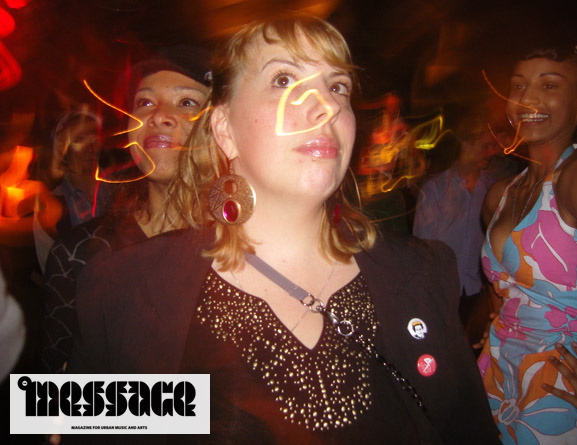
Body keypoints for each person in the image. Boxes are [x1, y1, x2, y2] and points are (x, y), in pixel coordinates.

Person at [68, 14, 498, 444]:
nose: (326, 105)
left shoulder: (421, 276)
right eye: (283, 79)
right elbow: (73, 422)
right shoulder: (133, 288)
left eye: (338, 86)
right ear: (225, 130)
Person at [41, 48, 212, 373]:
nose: (158, 115)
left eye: (187, 102)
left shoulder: (245, 247)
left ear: (220, 128)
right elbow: (52, 393)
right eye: (145, 102)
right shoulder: (79, 252)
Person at [478, 39, 577, 443]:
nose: (527, 99)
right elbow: (502, 292)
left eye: (549, 85)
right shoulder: (501, 194)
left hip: (563, 389)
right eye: (519, 85)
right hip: (497, 372)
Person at [413, 116, 500, 329]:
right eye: (485, 146)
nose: (491, 152)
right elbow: (421, 248)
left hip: (478, 293)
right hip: (441, 291)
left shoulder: (493, 190)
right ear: (466, 145)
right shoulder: (436, 188)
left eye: (492, 146)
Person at [33, 107, 107, 272]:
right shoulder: (52, 205)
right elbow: (53, 269)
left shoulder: (121, 189)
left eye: (94, 137)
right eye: (79, 139)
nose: (90, 147)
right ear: (62, 148)